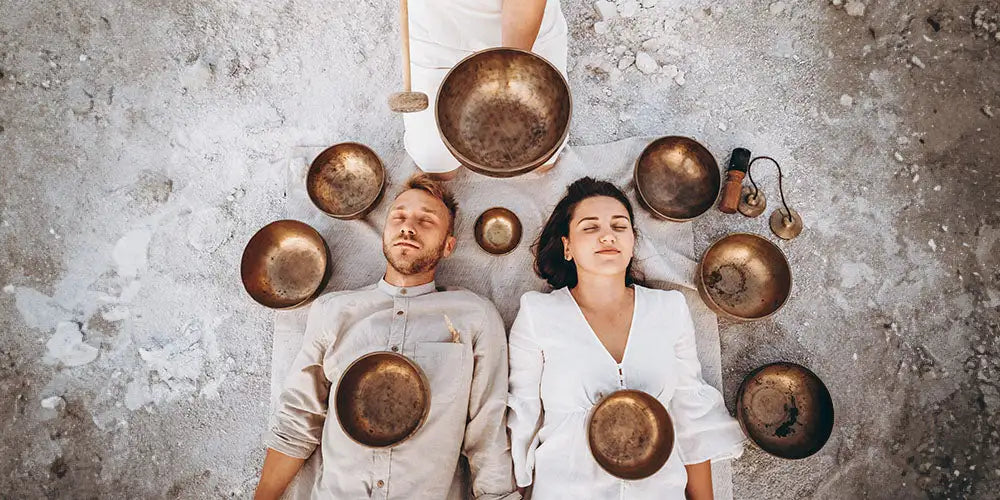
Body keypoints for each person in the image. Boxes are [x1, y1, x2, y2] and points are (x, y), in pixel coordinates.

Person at [255, 174, 519, 500]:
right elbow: (298, 419)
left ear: (448, 245)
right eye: (399, 217)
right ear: (385, 232)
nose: (408, 227)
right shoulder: (334, 311)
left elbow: (488, 435)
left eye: (426, 220)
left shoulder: (474, 316)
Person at [506, 177, 746, 499]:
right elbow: (522, 418)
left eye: (620, 226)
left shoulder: (669, 309)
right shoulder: (538, 314)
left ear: (632, 241)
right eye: (590, 228)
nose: (608, 235)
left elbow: (690, 413)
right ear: (567, 246)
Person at [403, 0, 568, 179]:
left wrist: (509, 78)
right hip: (437, 35)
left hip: (521, 31)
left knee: (543, 158)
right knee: (435, 165)